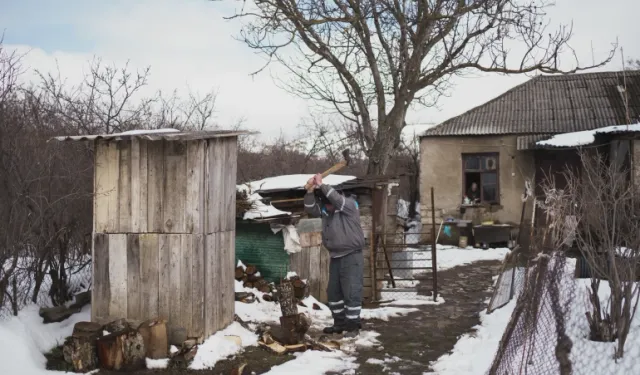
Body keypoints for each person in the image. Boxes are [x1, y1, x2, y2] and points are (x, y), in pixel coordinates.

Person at [304, 173, 365, 337]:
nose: (326, 208)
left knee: (351, 291)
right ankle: (339, 323)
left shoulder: (349, 205)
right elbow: (310, 209)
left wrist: (321, 185)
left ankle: (352, 326)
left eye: (328, 204)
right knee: (333, 293)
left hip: (352, 256)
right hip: (336, 256)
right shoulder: (327, 211)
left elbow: (337, 200)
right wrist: (310, 191)